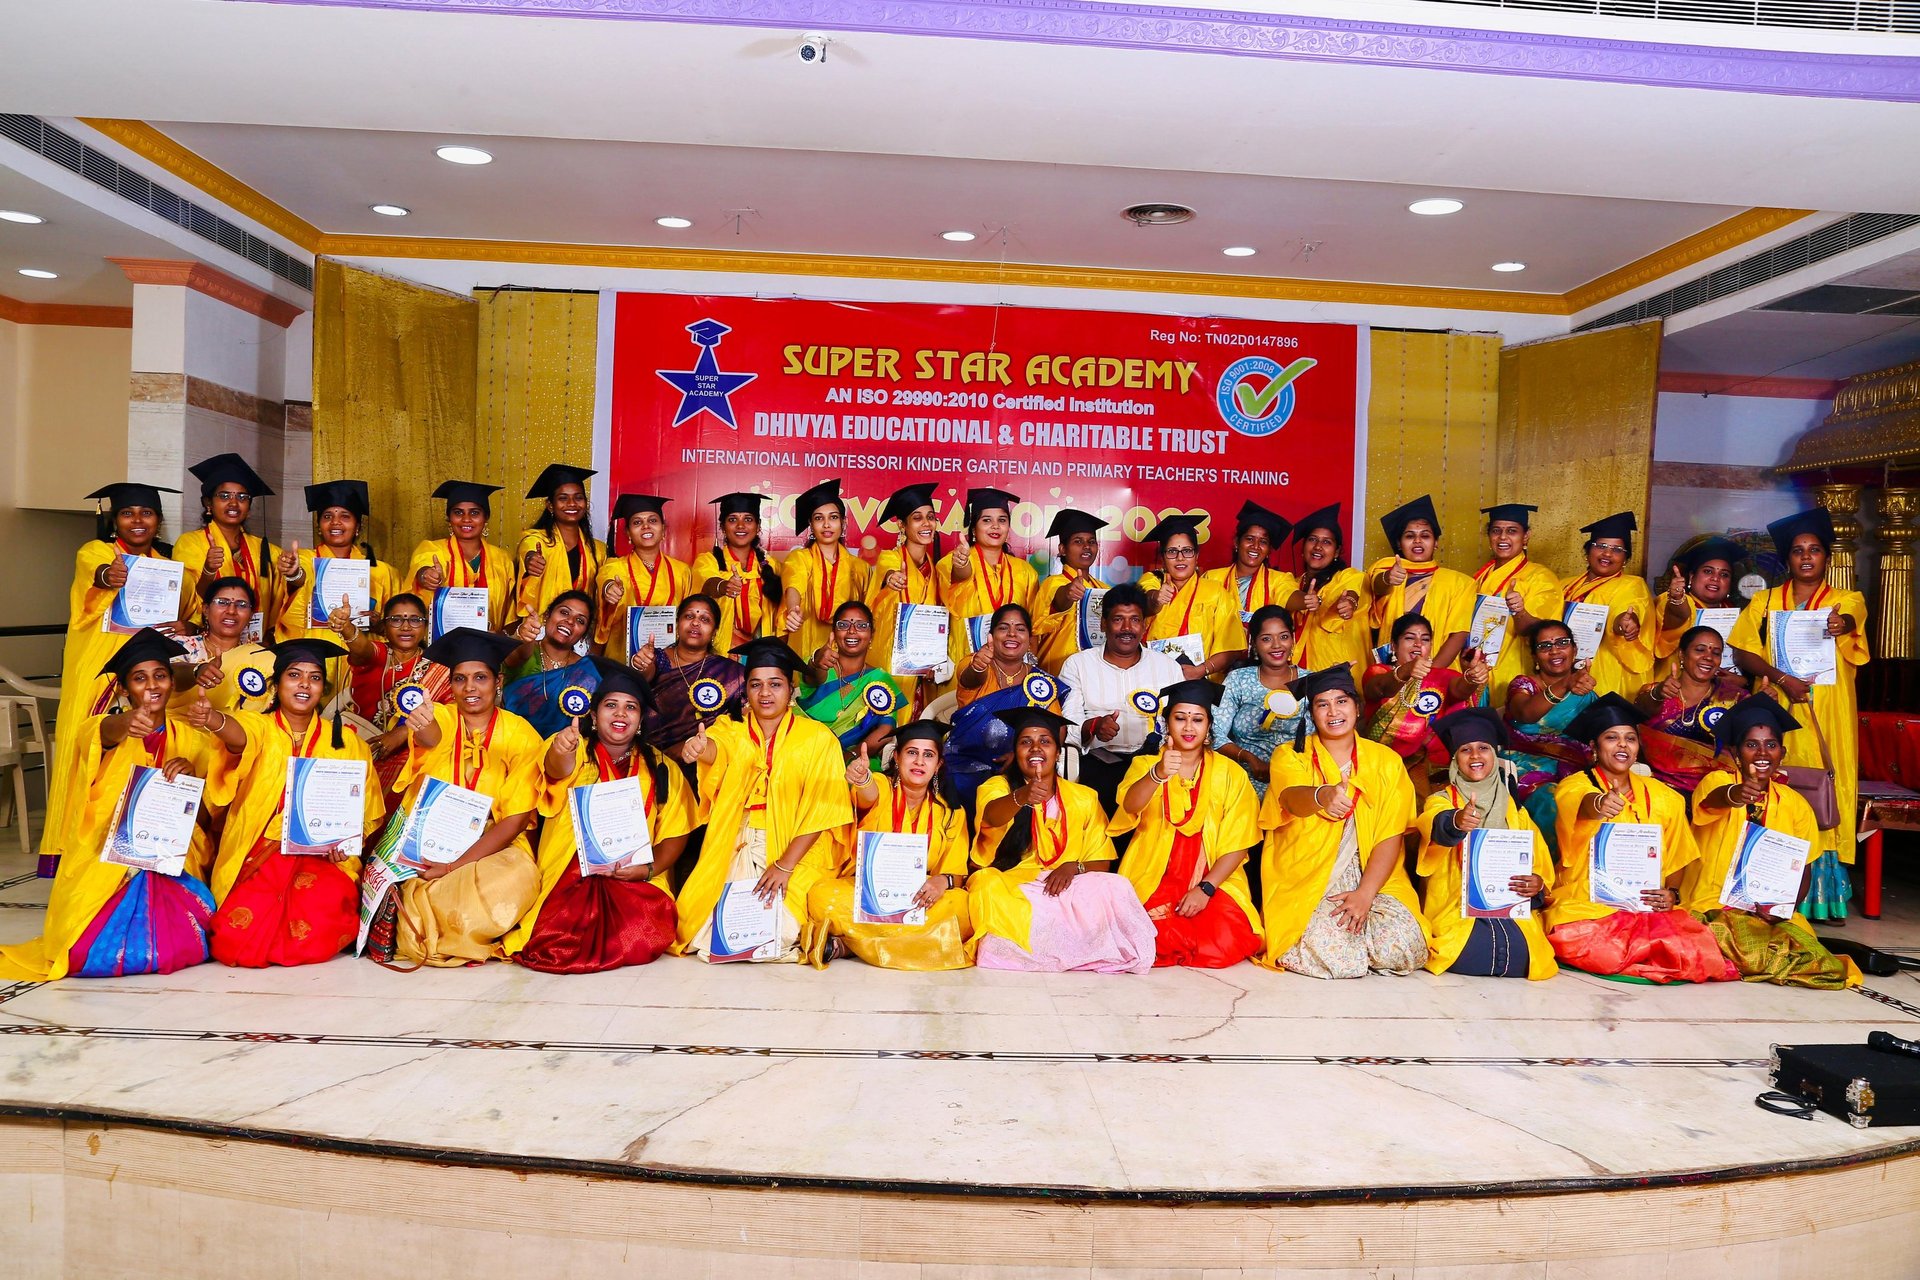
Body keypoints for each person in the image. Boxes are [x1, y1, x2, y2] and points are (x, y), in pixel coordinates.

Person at [0, 631, 221, 981]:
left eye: (160, 675)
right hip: (108, 854)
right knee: (83, 950)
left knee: (189, 941)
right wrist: (126, 723)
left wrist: (193, 783)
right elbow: (108, 731)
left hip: (172, 855)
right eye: (139, 678)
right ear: (123, 689)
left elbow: (210, 821)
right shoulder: (97, 729)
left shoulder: (194, 739)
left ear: (172, 683)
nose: (152, 686)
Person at [202, 639, 384, 968]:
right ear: (276, 684)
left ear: (323, 688)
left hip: (323, 858)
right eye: (294, 675)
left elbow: (366, 811)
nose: (304, 684)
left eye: (314, 678)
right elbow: (238, 735)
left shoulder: (347, 742)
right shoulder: (261, 727)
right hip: (261, 848)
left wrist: (345, 843)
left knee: (319, 915)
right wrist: (213, 719)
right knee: (233, 938)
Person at [39, 481, 189, 876]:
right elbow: (97, 574)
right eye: (128, 513)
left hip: (146, 671)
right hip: (97, 672)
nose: (138, 520)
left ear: (158, 521)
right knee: (88, 752)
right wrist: (110, 576)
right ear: (114, 520)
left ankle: (139, 837)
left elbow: (186, 611)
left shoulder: (167, 563)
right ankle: (74, 843)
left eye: (147, 513)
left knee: (146, 748)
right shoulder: (98, 551)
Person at [509, 659, 695, 973]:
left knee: (649, 927)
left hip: (634, 877)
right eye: (611, 705)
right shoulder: (577, 752)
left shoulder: (661, 767)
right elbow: (555, 770)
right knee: (557, 936)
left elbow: (677, 832)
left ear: (640, 720)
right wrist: (562, 749)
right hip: (572, 871)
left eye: (631, 707)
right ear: (594, 716)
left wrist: (647, 871)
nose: (621, 714)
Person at [1729, 508, 1870, 921]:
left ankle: (1819, 899)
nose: (1806, 557)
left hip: (1828, 709)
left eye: (1814, 550)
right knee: (1771, 781)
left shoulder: (1846, 600)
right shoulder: (1765, 600)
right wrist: (1781, 677)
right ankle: (1764, 889)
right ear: (1787, 559)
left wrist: (1840, 625)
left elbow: (1850, 623)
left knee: (1825, 787)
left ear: (1827, 557)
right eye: (1797, 551)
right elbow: (1741, 650)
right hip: (1777, 702)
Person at [674, 639, 853, 962]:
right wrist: (702, 750)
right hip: (738, 839)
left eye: (775, 684)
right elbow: (718, 750)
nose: (765, 694)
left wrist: (784, 866)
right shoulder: (731, 729)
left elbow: (824, 810)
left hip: (798, 847)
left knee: (781, 929)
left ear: (791, 687)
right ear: (746, 689)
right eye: (756, 685)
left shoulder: (817, 739)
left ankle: (823, 940)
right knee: (701, 929)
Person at [1544, 694, 1732, 983]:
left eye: (1630, 739)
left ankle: (1644, 957)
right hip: (1587, 900)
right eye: (1612, 738)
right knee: (1585, 943)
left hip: (1643, 903)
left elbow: (1677, 856)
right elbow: (1581, 803)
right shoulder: (1575, 786)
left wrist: (1672, 893)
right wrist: (1598, 804)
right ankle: (1643, 960)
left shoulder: (1664, 796)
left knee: (1695, 951)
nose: (1623, 745)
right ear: (1594, 747)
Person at [1255, 667, 1429, 978]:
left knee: (1405, 947)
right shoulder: (1291, 756)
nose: (1333, 711)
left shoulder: (1385, 762)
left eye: (1341, 701)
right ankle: (1354, 946)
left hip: (1372, 876)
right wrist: (1322, 796)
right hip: (1310, 876)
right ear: (1312, 713)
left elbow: (1391, 835)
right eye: (1322, 704)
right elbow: (1290, 798)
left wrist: (1365, 894)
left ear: (1357, 707)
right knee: (1338, 957)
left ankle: (1366, 938)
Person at [386, 629, 543, 966]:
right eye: (460, 679)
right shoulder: (441, 716)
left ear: (497, 681)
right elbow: (430, 737)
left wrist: (455, 866)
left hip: (496, 844)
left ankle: (448, 928)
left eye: (480, 678)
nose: (470, 688)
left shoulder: (521, 734)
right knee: (424, 892)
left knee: (513, 878)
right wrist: (421, 722)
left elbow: (515, 820)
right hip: (434, 839)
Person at [1682, 697, 1859, 988]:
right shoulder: (1716, 782)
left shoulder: (1795, 804)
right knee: (1712, 945)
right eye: (1751, 745)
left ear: (1782, 752)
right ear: (1736, 753)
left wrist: (1783, 908)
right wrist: (1735, 794)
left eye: (1771, 745)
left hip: (1767, 914)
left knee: (1825, 966)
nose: (1762, 752)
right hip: (1712, 906)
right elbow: (1714, 801)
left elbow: (1804, 868)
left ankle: (1751, 959)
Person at [969, 706, 1156, 973]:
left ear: (1057, 753)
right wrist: (1022, 796)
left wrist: (1073, 867)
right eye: (1026, 743)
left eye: (1045, 742)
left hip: (1066, 884)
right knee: (985, 885)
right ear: (1015, 752)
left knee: (1116, 886)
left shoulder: (1083, 797)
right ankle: (1058, 951)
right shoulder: (997, 787)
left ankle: (1067, 950)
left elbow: (1101, 860)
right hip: (1016, 884)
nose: (1035, 749)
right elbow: (991, 817)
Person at [1111, 680, 1264, 968]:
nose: (1189, 728)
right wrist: (1157, 774)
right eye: (1180, 718)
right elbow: (1129, 806)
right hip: (1155, 872)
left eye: (1198, 719)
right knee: (1145, 938)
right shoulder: (1146, 764)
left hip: (1213, 877)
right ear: (1167, 723)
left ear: (1208, 727)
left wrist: (1205, 889)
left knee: (1225, 942)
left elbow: (1239, 842)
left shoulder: (1230, 773)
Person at [805, 721, 974, 970]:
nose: (919, 762)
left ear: (938, 765)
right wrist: (863, 780)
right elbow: (867, 796)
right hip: (870, 895)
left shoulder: (951, 812)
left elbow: (956, 875)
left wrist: (942, 881)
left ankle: (852, 944)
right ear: (896, 757)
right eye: (911, 753)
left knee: (962, 908)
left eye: (928, 755)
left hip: (918, 899)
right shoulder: (883, 787)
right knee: (821, 896)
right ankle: (909, 942)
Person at [1412, 708, 1557, 980]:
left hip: (1509, 908)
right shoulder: (1442, 800)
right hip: (1456, 909)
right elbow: (1434, 823)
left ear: (1495, 754)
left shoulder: (1515, 812)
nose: (1476, 755)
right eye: (1466, 750)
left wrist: (1536, 884)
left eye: (1483, 748)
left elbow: (1541, 870)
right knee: (1472, 951)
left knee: (1522, 956)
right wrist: (1456, 821)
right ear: (1455, 758)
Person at [1060, 583, 1185, 820]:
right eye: (1118, 619)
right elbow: (1068, 726)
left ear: (1144, 625)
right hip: (1099, 765)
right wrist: (1093, 726)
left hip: (1153, 766)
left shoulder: (1167, 667)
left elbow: (1178, 724)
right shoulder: (1077, 665)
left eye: (1135, 620)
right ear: (1103, 624)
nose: (1127, 628)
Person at [339, 593, 451, 804]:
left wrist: (402, 733)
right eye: (396, 620)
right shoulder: (377, 654)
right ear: (384, 626)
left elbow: (447, 715)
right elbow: (362, 649)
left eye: (414, 620)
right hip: (362, 750)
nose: (406, 627)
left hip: (411, 761)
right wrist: (347, 628)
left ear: (425, 625)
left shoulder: (440, 670)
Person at [1501, 619, 1599, 855]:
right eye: (1544, 646)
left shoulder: (1587, 694)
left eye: (1562, 643)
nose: (1554, 650)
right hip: (1525, 768)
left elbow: (1601, 734)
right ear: (1535, 657)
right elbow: (1525, 713)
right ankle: (1550, 874)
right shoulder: (1523, 685)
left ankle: (1582, 875)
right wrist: (1565, 684)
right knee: (1553, 800)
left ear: (1574, 650)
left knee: (1598, 798)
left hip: (1574, 769)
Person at [1360, 612, 1488, 788]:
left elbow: (1459, 691)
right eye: (1410, 638)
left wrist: (1472, 678)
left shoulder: (1440, 676)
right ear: (1393, 646)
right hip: (1382, 764)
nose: (1418, 644)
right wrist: (1405, 671)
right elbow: (1380, 687)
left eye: (1425, 640)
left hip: (1434, 767)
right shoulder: (1378, 672)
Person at [277, 480, 396, 661]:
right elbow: (298, 581)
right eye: (327, 516)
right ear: (319, 527)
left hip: (360, 659)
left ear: (357, 528)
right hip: (312, 657)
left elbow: (399, 624)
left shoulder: (381, 571)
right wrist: (294, 573)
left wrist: (379, 625)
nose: (335, 523)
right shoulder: (305, 560)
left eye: (345, 516)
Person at [172, 453, 289, 635]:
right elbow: (188, 598)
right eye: (224, 496)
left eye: (242, 497)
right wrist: (209, 571)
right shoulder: (190, 543)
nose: (234, 503)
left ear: (249, 508)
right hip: (209, 639)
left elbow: (282, 598)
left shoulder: (268, 551)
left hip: (255, 643)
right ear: (208, 503)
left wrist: (294, 573)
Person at [865, 482, 952, 712]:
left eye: (930, 517)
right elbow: (888, 572)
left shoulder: (936, 569)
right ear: (901, 525)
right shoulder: (890, 558)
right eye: (917, 518)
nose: (926, 523)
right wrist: (892, 578)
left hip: (925, 665)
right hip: (893, 661)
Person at [1633, 625, 1748, 797]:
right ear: (1681, 654)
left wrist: (1764, 706)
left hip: (1714, 793)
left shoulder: (1735, 697)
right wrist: (1658, 693)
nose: (1708, 657)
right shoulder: (1656, 691)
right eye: (1700, 650)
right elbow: (1643, 708)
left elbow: (1747, 746)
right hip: (1658, 789)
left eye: (1716, 653)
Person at [1213, 605, 1309, 799]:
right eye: (1266, 638)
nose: (1276, 645)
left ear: (1293, 638)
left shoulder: (1311, 681)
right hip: (1242, 782)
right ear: (1254, 643)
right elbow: (1214, 732)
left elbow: (1322, 737)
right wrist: (1248, 758)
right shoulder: (1238, 679)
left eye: (1283, 636)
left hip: (1299, 782)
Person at [938, 487, 1037, 673]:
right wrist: (961, 564)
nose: (995, 526)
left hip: (1011, 669)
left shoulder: (1025, 572)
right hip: (964, 664)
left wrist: (1029, 668)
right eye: (986, 520)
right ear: (974, 527)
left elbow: (1033, 626)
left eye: (1002, 520)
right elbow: (959, 578)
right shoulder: (949, 563)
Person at [1366, 495, 1472, 669]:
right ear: (1399, 544)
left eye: (1425, 535)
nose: (1417, 541)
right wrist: (1388, 578)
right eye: (1409, 536)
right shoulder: (1387, 570)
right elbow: (1377, 585)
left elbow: (1458, 634)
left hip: (1438, 674)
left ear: (1436, 542)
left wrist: (1429, 678)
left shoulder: (1460, 582)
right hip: (1391, 671)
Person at [636, 593, 745, 759]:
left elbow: (741, 721)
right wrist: (642, 665)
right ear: (677, 623)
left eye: (705, 619)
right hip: (652, 760)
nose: (695, 622)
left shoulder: (731, 672)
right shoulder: (656, 659)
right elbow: (645, 676)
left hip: (704, 762)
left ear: (715, 632)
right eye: (689, 616)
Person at [1470, 503, 1561, 703]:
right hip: (1475, 668)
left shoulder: (1540, 577)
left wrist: (1519, 611)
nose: (1503, 537)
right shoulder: (1480, 576)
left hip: (1512, 668)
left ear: (1526, 537)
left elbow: (1542, 632)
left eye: (1512, 531)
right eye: (1496, 531)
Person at [1137, 514, 1245, 680]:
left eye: (1187, 551)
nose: (1180, 558)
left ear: (1197, 555)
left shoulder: (1216, 592)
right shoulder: (1152, 581)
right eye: (1172, 551)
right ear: (1163, 558)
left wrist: (1201, 670)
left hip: (1198, 683)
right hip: (1150, 677)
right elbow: (1147, 600)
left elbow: (1231, 645)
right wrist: (1157, 598)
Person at [1559, 511, 1654, 699]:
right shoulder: (1564, 585)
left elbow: (1628, 610)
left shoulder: (1632, 584)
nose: (1608, 553)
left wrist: (1626, 623)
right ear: (1587, 552)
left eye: (1617, 550)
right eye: (1601, 546)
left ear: (1625, 559)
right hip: (1565, 670)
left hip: (1607, 671)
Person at [799, 600, 907, 759]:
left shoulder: (880, 680)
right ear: (834, 633)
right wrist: (816, 662)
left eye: (862, 626)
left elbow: (885, 730)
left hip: (852, 762)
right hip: (803, 751)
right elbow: (813, 678)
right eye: (843, 625)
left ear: (871, 635)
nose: (851, 631)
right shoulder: (819, 663)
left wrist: (850, 756)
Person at [405, 481, 517, 632]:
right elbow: (421, 568)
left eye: (474, 513)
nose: (466, 519)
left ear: (486, 518)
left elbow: (509, 613)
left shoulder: (502, 559)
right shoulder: (432, 549)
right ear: (449, 519)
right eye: (458, 512)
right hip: (439, 646)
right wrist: (426, 575)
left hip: (487, 646)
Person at [780, 478, 871, 659]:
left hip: (846, 651)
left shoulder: (860, 567)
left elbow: (868, 610)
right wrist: (792, 611)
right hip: (805, 647)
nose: (827, 525)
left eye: (833, 517)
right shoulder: (800, 558)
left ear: (843, 523)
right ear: (811, 525)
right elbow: (793, 586)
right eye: (819, 518)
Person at [596, 493, 691, 663]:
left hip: (668, 659)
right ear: (628, 533)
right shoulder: (615, 566)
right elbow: (606, 580)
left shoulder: (682, 571)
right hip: (622, 659)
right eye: (637, 522)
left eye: (653, 521)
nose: (646, 526)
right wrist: (609, 589)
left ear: (663, 529)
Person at [500, 590, 601, 737]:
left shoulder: (588, 669)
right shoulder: (525, 653)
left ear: (583, 635)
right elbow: (519, 654)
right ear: (547, 616)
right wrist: (523, 635)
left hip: (566, 753)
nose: (570, 621)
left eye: (580, 621)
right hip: (515, 749)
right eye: (564, 612)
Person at [693, 491, 783, 656]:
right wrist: (724, 585)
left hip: (762, 657)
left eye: (748, 520)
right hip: (722, 654)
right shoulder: (709, 561)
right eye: (732, 520)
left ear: (758, 526)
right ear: (722, 527)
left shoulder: (771, 566)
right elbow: (707, 583)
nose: (740, 526)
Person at [174, 577, 277, 718]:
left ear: (251, 616)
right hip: (181, 735)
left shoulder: (259, 657)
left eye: (241, 605)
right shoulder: (181, 645)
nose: (231, 611)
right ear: (205, 609)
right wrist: (197, 670)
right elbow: (167, 676)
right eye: (222, 602)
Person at [1287, 503, 1369, 677]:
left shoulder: (1348, 576)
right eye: (1312, 539)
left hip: (1339, 680)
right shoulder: (1292, 585)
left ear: (1337, 551)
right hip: (1298, 680)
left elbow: (1353, 592)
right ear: (1302, 549)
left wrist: (1349, 603)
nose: (1318, 547)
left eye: (1326, 542)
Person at [515, 463, 601, 623]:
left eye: (578, 497)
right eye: (563, 498)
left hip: (580, 632)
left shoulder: (598, 549)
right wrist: (530, 560)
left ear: (586, 503)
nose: (572, 503)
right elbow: (528, 550)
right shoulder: (537, 539)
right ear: (550, 506)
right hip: (542, 628)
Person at [1031, 508, 1111, 675]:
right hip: (1058, 672)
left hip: (1096, 673)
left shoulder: (1105, 589)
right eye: (1078, 541)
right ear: (1062, 549)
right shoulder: (1053, 583)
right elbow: (1058, 600)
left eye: (1092, 541)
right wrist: (1068, 594)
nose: (1087, 547)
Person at [1653, 535, 1743, 681]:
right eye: (1708, 571)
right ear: (1692, 576)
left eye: (1724, 574)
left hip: (1724, 694)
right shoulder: (1674, 601)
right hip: (1675, 687)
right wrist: (1677, 598)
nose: (1715, 578)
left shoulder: (1735, 612)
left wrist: (1743, 681)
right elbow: (1676, 615)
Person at [1203, 501, 1298, 628]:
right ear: (1237, 542)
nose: (1255, 546)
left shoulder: (1280, 580)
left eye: (1263, 542)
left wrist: (1309, 600)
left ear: (1269, 550)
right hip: (1220, 647)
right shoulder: (1212, 578)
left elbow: (1288, 595)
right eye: (1249, 539)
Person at [956, 603, 1038, 708]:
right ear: (991, 635)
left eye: (1020, 629)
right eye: (1003, 628)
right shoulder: (974, 661)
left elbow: (1054, 721)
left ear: (1029, 639)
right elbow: (969, 680)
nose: (1012, 633)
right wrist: (978, 668)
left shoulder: (1039, 679)